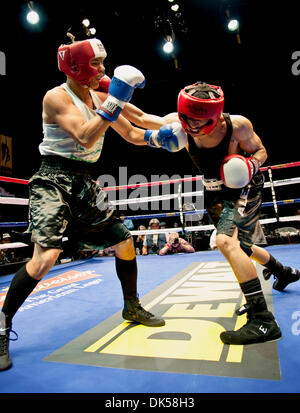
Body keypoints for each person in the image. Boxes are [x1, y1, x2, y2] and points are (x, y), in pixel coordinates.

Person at [0, 37, 171, 372]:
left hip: (84, 181)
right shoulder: (55, 97)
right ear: (75, 66)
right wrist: (116, 99)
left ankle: (132, 306)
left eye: (103, 63)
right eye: (96, 64)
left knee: (124, 240)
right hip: (53, 178)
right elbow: (86, 136)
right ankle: (1, 323)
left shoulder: (101, 93)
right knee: (46, 256)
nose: (103, 70)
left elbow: (137, 127)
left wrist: (180, 128)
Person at [142, 81, 300, 345]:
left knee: (226, 242)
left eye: (200, 120)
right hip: (213, 192)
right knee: (242, 247)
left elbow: (261, 151)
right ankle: (283, 271)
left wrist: (250, 164)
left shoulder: (238, 126)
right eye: (188, 119)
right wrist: (110, 96)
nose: (192, 127)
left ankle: (263, 320)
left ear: (215, 116)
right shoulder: (177, 123)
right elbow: (141, 118)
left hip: (243, 185)